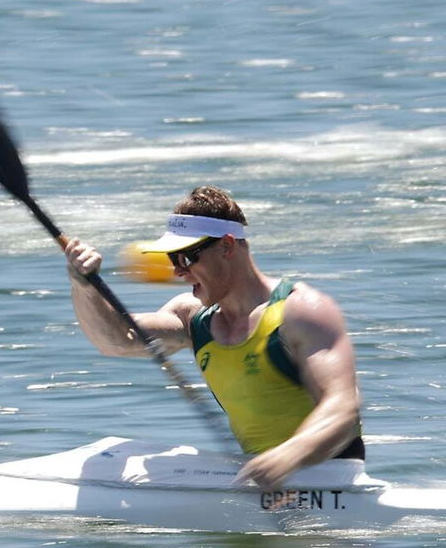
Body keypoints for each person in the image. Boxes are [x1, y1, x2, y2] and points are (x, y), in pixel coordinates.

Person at [64, 185, 363, 489]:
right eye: (172, 259)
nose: (179, 272)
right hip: (260, 478)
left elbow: (343, 410)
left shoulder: (301, 311)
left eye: (187, 257)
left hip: (330, 477)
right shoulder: (193, 318)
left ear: (228, 247)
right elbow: (115, 341)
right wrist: (83, 286)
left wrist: (287, 456)